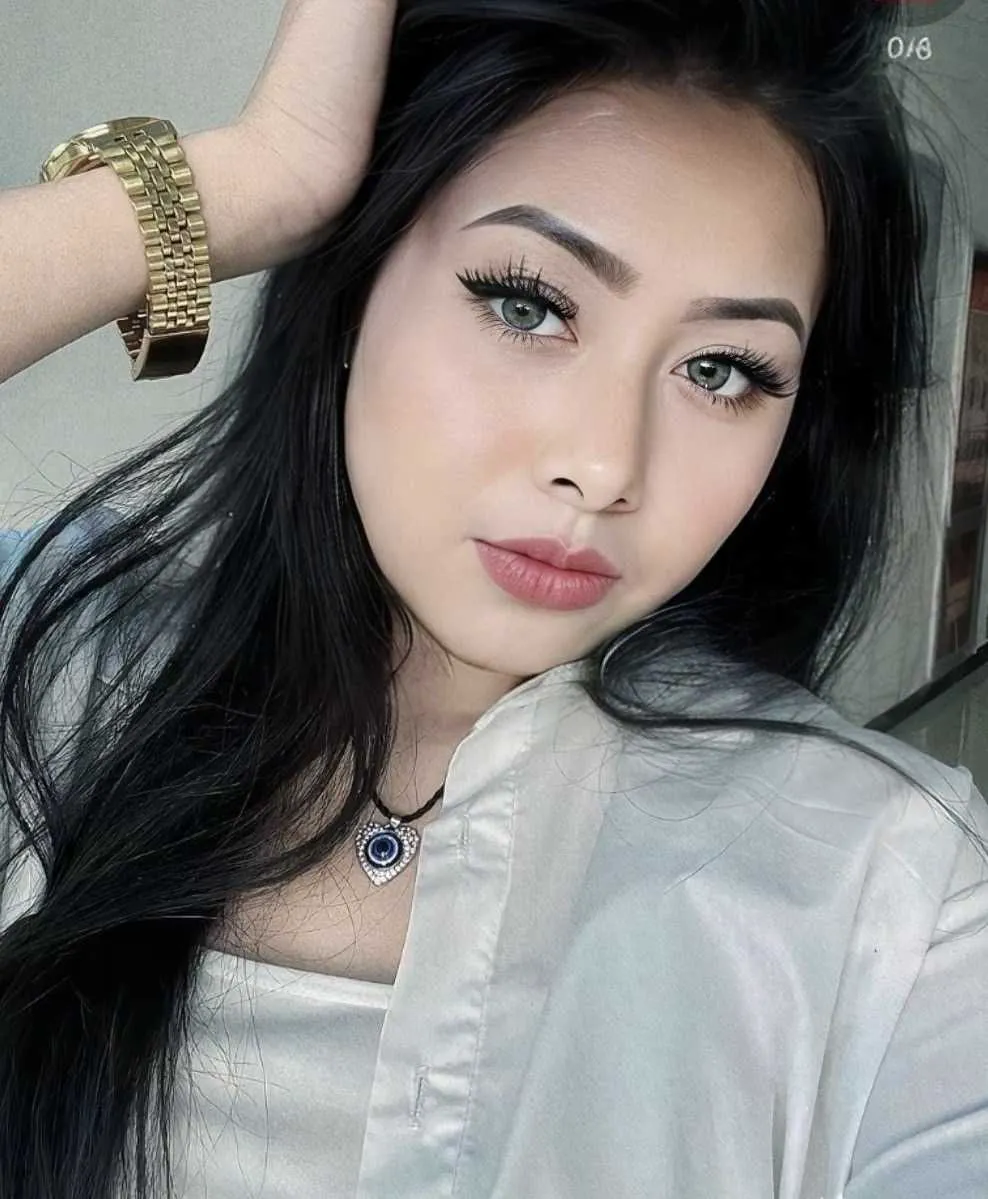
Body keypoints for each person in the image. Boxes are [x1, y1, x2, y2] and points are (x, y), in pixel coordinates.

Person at [0, 0, 986, 1195]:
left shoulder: (895, 891)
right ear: (354, 285)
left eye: (721, 369)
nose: (604, 464)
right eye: (528, 304)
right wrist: (253, 180)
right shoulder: (50, 664)